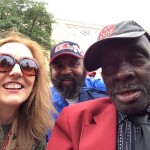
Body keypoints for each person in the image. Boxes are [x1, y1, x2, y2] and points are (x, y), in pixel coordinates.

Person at [47, 20, 150, 150]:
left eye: (137, 58)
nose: (122, 74)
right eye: (108, 65)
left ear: (85, 69)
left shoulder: (98, 88)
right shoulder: (44, 105)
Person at [0, 31, 54, 150]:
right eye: (3, 62)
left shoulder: (35, 134)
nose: (17, 72)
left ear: (35, 82)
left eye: (28, 65)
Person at [47, 41, 108, 140]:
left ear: (84, 67)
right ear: (51, 71)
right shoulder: (44, 101)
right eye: (58, 66)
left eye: (74, 64)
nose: (66, 71)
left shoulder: (104, 90)